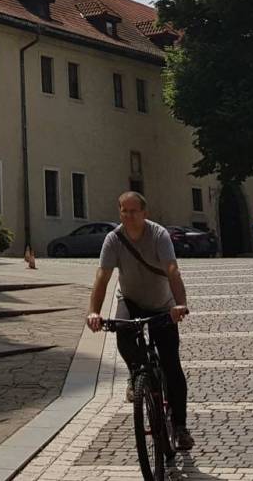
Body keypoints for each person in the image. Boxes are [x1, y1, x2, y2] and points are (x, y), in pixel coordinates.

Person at [85, 191, 193, 452]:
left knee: (171, 365)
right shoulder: (114, 239)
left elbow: (172, 269)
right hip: (131, 300)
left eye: (133, 211)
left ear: (145, 213)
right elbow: (102, 276)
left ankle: (180, 427)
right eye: (124, 210)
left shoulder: (158, 235)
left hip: (162, 304)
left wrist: (179, 304)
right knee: (122, 332)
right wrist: (94, 312)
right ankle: (137, 375)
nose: (128, 215)